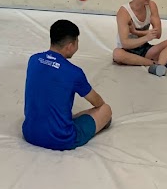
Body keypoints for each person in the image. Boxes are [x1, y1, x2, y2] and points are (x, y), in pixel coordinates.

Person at [22, 19, 112, 151]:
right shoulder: (74, 72)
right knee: (105, 109)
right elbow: (97, 102)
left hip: (30, 133)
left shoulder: (33, 60)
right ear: (70, 46)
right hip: (61, 140)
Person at [113, 0, 167, 76]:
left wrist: (136, 32)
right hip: (127, 51)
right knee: (117, 54)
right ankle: (157, 63)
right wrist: (146, 36)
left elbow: (158, 34)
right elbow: (125, 43)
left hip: (144, 49)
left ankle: (157, 64)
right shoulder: (124, 12)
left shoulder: (151, 6)